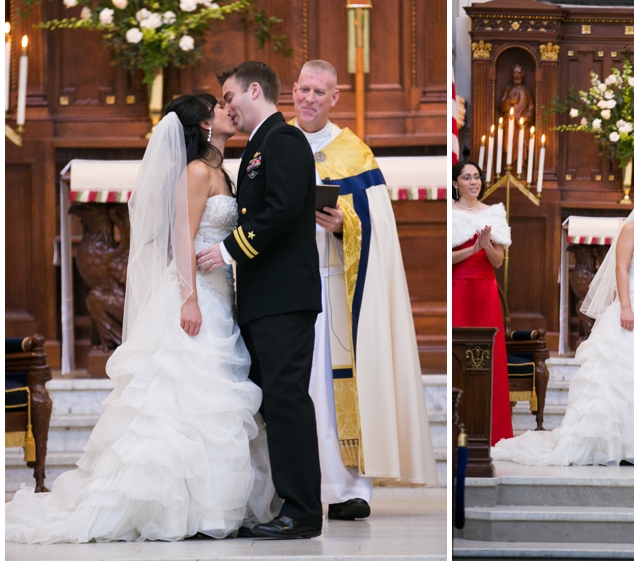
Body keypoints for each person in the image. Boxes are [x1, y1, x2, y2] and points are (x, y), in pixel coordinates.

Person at [6, 96, 278, 543]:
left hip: (221, 296)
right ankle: (177, 509)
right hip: (197, 300)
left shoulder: (221, 171)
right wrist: (189, 300)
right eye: (219, 106)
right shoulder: (195, 172)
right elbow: (182, 241)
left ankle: (209, 501)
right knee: (184, 397)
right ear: (204, 124)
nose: (229, 108)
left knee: (212, 399)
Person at [286, 59, 438, 519]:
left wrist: (341, 224)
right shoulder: (276, 143)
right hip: (287, 286)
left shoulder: (354, 153)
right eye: (304, 90)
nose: (310, 98)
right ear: (292, 91)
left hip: (337, 288)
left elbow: (377, 227)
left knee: (335, 389)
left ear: (335, 98)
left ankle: (348, 487)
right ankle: (295, 485)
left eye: (321, 92)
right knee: (295, 388)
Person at [196, 61, 323, 539]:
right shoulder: (259, 145)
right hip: (265, 297)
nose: (226, 107)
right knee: (274, 403)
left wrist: (228, 250)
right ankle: (285, 504)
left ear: (254, 90)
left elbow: (285, 209)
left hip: (283, 297)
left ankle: (303, 512)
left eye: (230, 97)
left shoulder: (283, 140)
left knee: (287, 400)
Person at [492, 181, 634, 466]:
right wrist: (625, 306)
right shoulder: (632, 228)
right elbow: (621, 268)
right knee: (622, 376)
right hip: (633, 305)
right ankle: (612, 444)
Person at [451, 160, 514, 446]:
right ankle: (460, 430)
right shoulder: (449, 214)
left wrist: (486, 246)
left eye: (477, 177)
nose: (474, 182)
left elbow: (498, 262)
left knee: (490, 358)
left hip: (485, 292)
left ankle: (493, 432)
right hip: (458, 289)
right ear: (456, 184)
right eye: (467, 177)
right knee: (459, 357)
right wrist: (471, 249)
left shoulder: (494, 213)